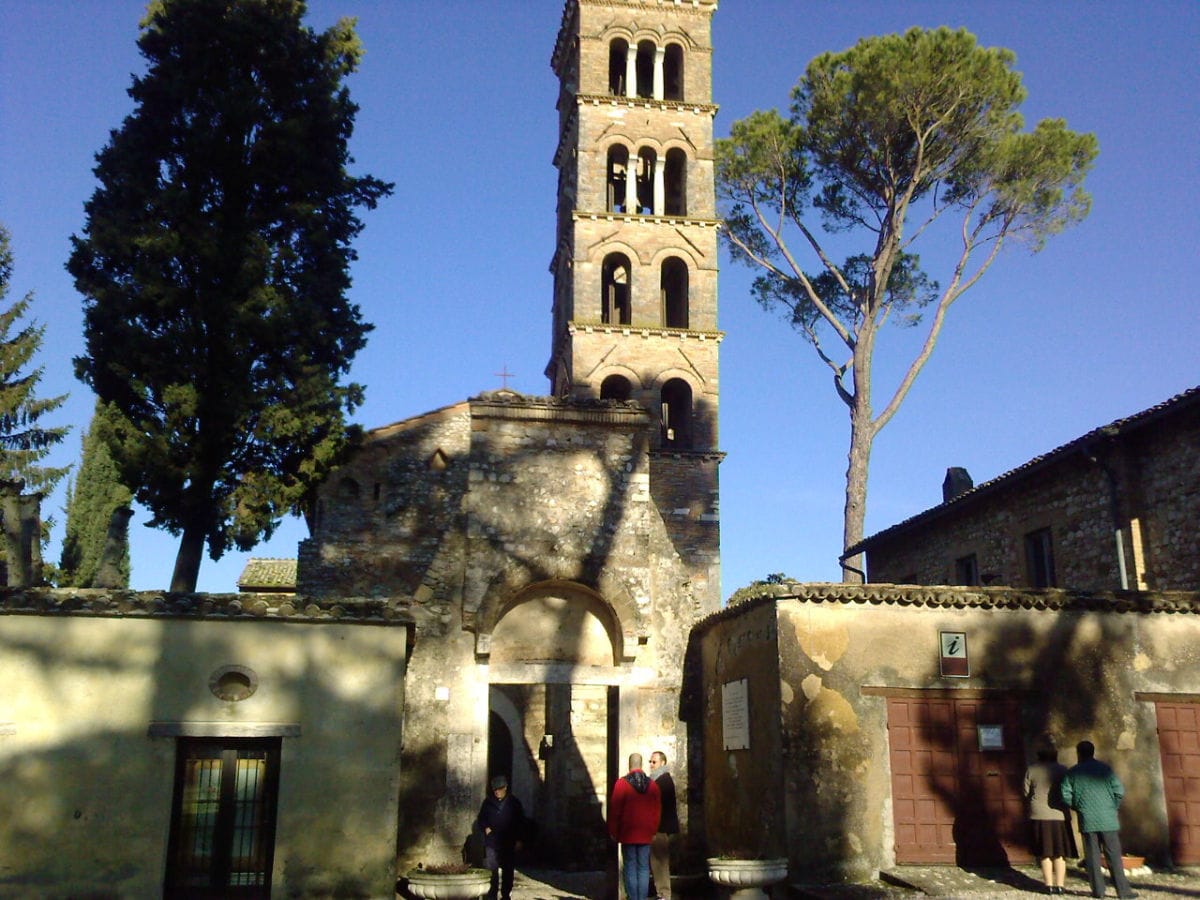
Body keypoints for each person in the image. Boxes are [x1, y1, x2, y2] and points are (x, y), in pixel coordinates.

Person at [1060, 740, 1138, 900]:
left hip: (1087, 819)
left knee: (1092, 857)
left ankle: (1098, 891)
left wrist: (1077, 806)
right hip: (1108, 819)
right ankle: (1123, 892)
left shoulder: (1073, 772)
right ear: (1093, 752)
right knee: (1114, 856)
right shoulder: (1105, 769)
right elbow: (1119, 791)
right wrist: (1112, 807)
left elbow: (1065, 794)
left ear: (1078, 753)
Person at [608, 752, 661, 900]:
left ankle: (633, 897)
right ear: (642, 764)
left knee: (630, 867)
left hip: (627, 833)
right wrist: (653, 829)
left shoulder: (622, 783)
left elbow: (615, 809)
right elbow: (656, 810)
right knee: (644, 868)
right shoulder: (652, 785)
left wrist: (613, 830)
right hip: (645, 833)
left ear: (629, 765)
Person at [1024, 743, 1075, 895]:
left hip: (1039, 814)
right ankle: (1060, 885)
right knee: (1060, 853)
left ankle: (1048, 886)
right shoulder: (1064, 770)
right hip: (1060, 815)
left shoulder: (1032, 770)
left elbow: (1025, 791)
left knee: (1045, 853)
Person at [475, 775, 525, 900]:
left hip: (508, 841)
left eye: (500, 788)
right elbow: (481, 818)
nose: (497, 791)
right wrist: (485, 827)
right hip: (492, 841)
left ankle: (506, 895)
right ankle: (492, 895)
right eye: (495, 789)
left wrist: (519, 839)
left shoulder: (514, 803)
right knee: (492, 870)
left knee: (508, 870)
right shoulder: (488, 802)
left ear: (506, 788)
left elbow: (521, 822)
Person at [647, 750, 678, 900]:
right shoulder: (659, 780)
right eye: (650, 762)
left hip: (660, 828)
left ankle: (664, 894)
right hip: (658, 827)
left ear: (662, 763)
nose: (651, 765)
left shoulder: (662, 781)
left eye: (654, 762)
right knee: (656, 861)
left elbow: (659, 807)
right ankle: (661, 893)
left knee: (660, 861)